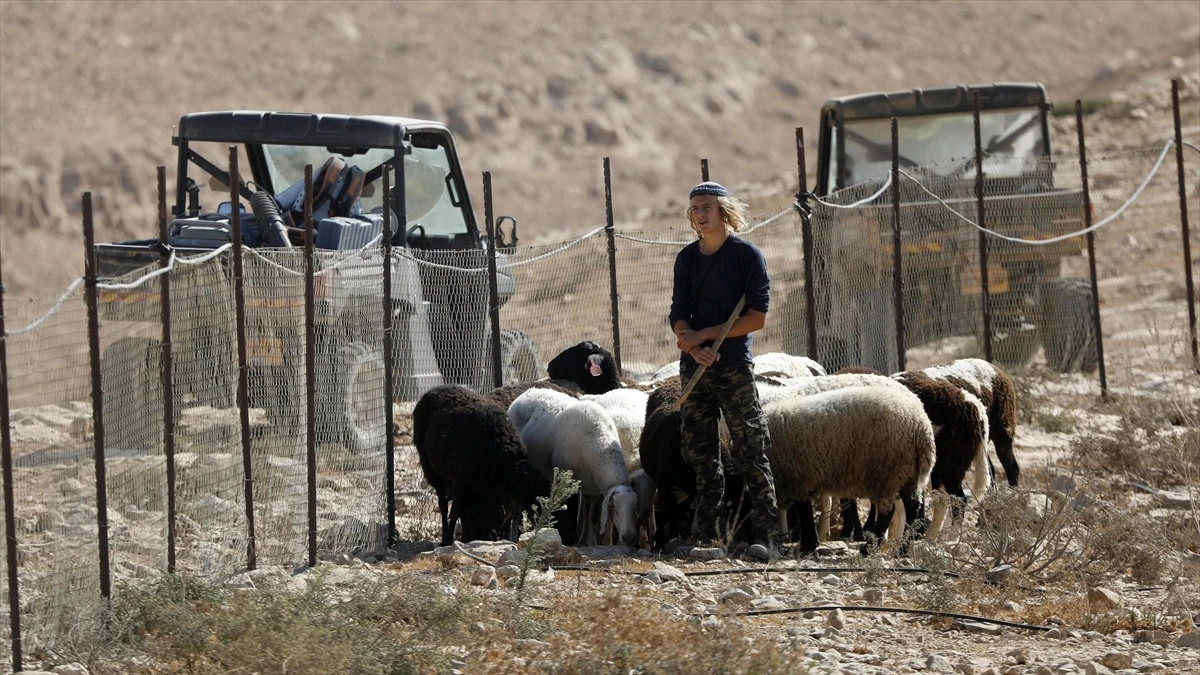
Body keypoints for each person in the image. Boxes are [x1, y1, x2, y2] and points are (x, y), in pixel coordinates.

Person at [668, 180, 782, 562]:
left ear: (723, 212)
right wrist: (692, 345)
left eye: (707, 207)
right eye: (695, 209)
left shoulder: (746, 256)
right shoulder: (686, 259)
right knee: (701, 453)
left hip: (732, 366)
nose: (700, 215)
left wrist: (704, 336)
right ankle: (707, 537)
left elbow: (756, 317)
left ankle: (768, 537)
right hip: (695, 368)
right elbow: (678, 314)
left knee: (751, 449)